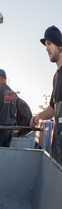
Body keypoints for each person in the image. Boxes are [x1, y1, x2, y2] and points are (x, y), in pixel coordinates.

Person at [31, 25, 62, 164]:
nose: (46, 48)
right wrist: (38, 117)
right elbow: (53, 108)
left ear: (60, 45)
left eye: (49, 43)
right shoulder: (56, 77)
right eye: (45, 45)